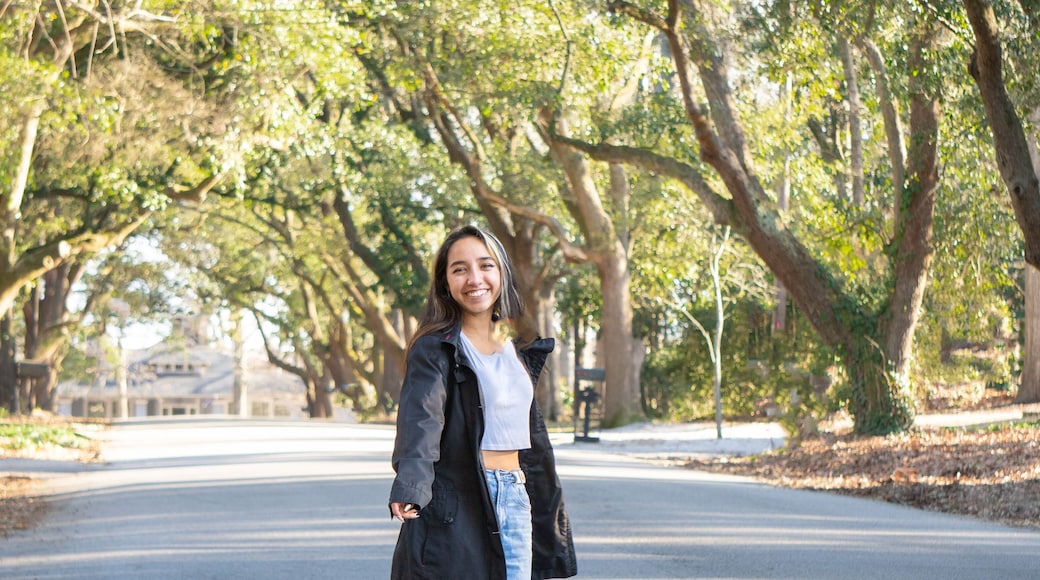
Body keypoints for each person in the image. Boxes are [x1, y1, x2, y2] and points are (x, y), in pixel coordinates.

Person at [388, 225, 577, 580]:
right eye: (459, 269)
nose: (474, 278)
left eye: (485, 265)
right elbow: (422, 418)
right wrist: (411, 483)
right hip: (460, 499)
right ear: (446, 283)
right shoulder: (437, 348)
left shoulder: (517, 351)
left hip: (516, 494)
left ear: (501, 272)